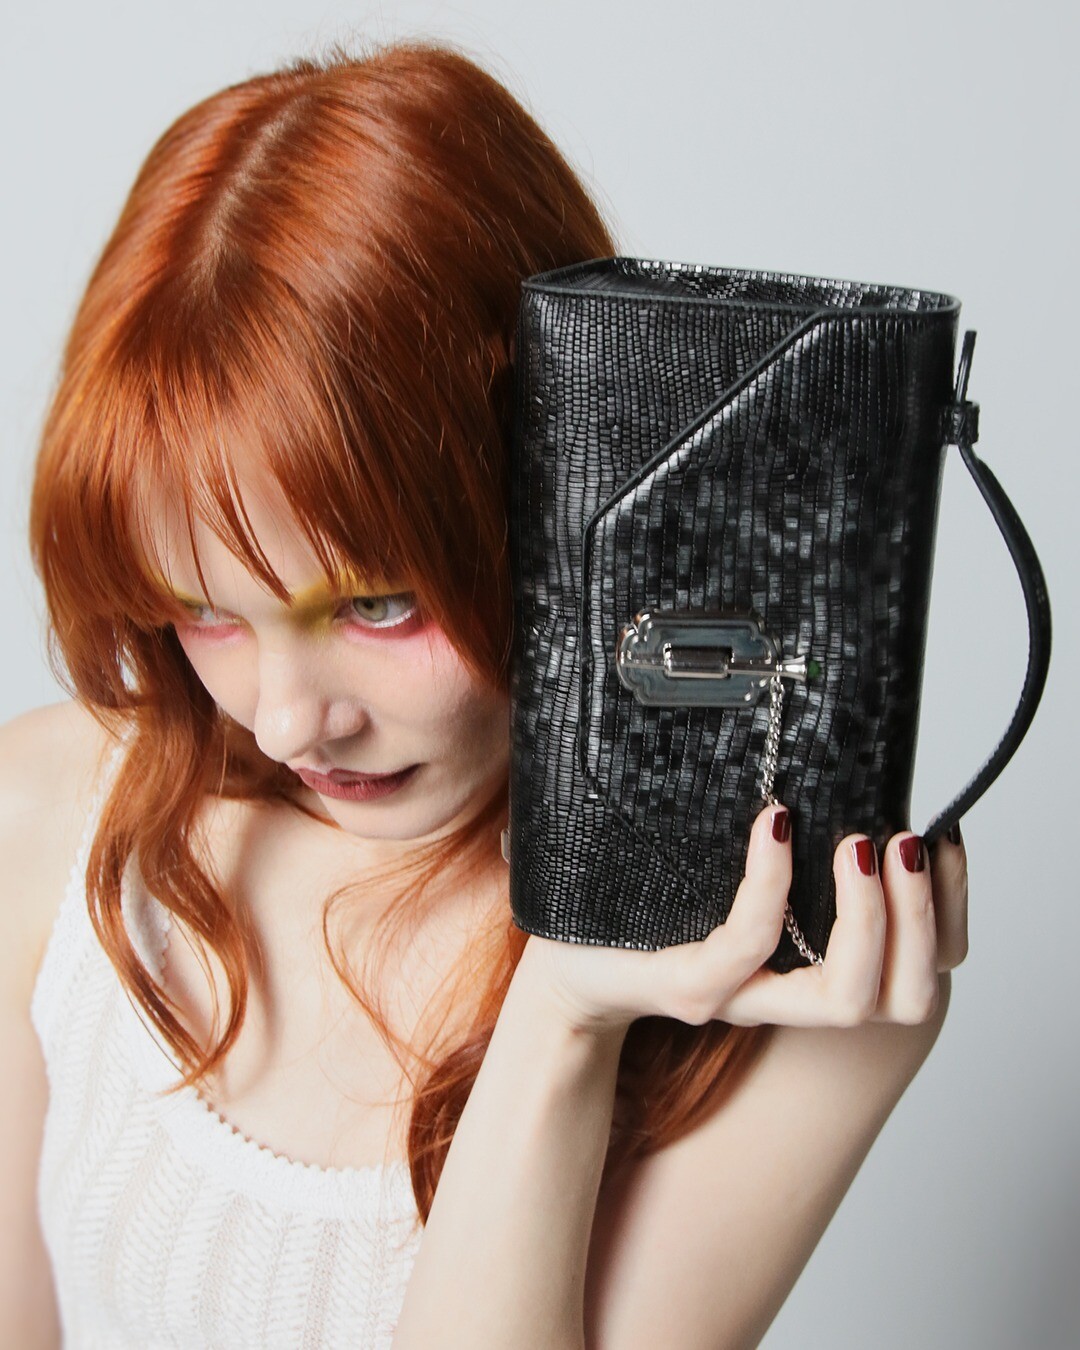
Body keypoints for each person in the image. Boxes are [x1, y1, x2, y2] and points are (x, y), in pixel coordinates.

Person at [1, 37, 968, 1350]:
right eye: (206, 613)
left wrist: (563, 1014)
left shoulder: (797, 970)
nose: (289, 719)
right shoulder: (47, 820)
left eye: (376, 603)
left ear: (555, 490)